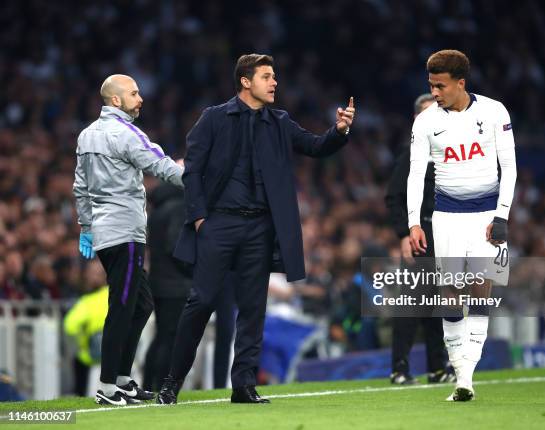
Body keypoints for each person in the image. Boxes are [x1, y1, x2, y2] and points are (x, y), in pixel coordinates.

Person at [158, 53, 355, 404]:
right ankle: (172, 382)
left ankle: (243, 385)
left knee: (252, 308)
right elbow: (192, 170)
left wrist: (338, 131)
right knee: (200, 302)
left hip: (260, 228)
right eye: (267, 76)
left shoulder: (279, 121)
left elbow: (314, 145)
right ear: (246, 82)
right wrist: (200, 218)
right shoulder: (213, 118)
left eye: (274, 76)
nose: (274, 82)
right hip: (219, 223)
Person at [407, 50, 516, 401]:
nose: (435, 92)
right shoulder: (425, 121)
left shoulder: (494, 111)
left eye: (440, 86)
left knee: (481, 291)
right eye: (431, 85)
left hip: (486, 216)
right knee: (451, 293)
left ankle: (465, 376)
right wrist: (413, 222)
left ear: (460, 83)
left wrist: (502, 216)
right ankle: (462, 375)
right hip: (447, 217)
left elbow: (509, 168)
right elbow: (415, 174)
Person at [73, 74, 184, 406]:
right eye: (134, 94)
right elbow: (159, 164)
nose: (141, 98)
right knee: (121, 308)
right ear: (116, 101)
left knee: (142, 304)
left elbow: (80, 186)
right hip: (125, 231)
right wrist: (197, 177)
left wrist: (87, 227)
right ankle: (108, 388)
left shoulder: (86, 135)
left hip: (107, 234)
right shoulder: (127, 133)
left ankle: (122, 379)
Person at [384, 93, 454, 385]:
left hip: (444, 235)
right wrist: (403, 234)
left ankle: (437, 368)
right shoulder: (412, 154)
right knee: (411, 304)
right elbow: (393, 198)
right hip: (420, 235)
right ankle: (400, 368)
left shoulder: (447, 152)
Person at [143, 182, 235, 391]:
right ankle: (159, 386)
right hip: (175, 285)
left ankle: (149, 385)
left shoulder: (158, 209)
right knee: (170, 338)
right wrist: (195, 271)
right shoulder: (178, 207)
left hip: (158, 281)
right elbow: (176, 246)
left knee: (161, 337)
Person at [64, 260, 108, 397]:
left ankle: (80, 393)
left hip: (93, 358)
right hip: (122, 353)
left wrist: (82, 343)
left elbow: (69, 326)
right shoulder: (118, 295)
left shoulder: (86, 302)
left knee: (79, 359)